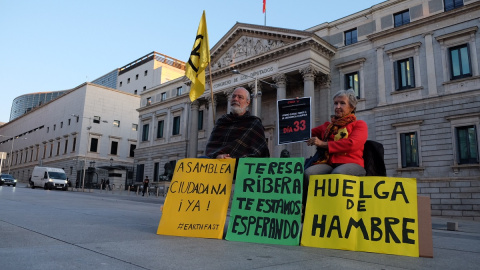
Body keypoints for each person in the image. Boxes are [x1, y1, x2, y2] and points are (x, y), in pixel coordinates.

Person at [304, 89, 368, 198]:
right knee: (309, 173)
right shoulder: (327, 126)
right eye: (335, 103)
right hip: (329, 164)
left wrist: (323, 144)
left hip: (352, 164)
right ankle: (308, 207)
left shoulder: (359, 124)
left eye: (342, 103)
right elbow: (303, 133)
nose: (337, 107)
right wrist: (298, 109)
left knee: (337, 175)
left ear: (352, 107)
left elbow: (352, 144)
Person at [205, 87, 270, 159]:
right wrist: (217, 155)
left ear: (247, 102)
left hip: (241, 167)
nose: (235, 99)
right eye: (233, 96)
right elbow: (210, 148)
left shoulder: (254, 124)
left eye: (240, 97)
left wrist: (236, 160)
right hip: (219, 164)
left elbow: (260, 153)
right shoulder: (222, 122)